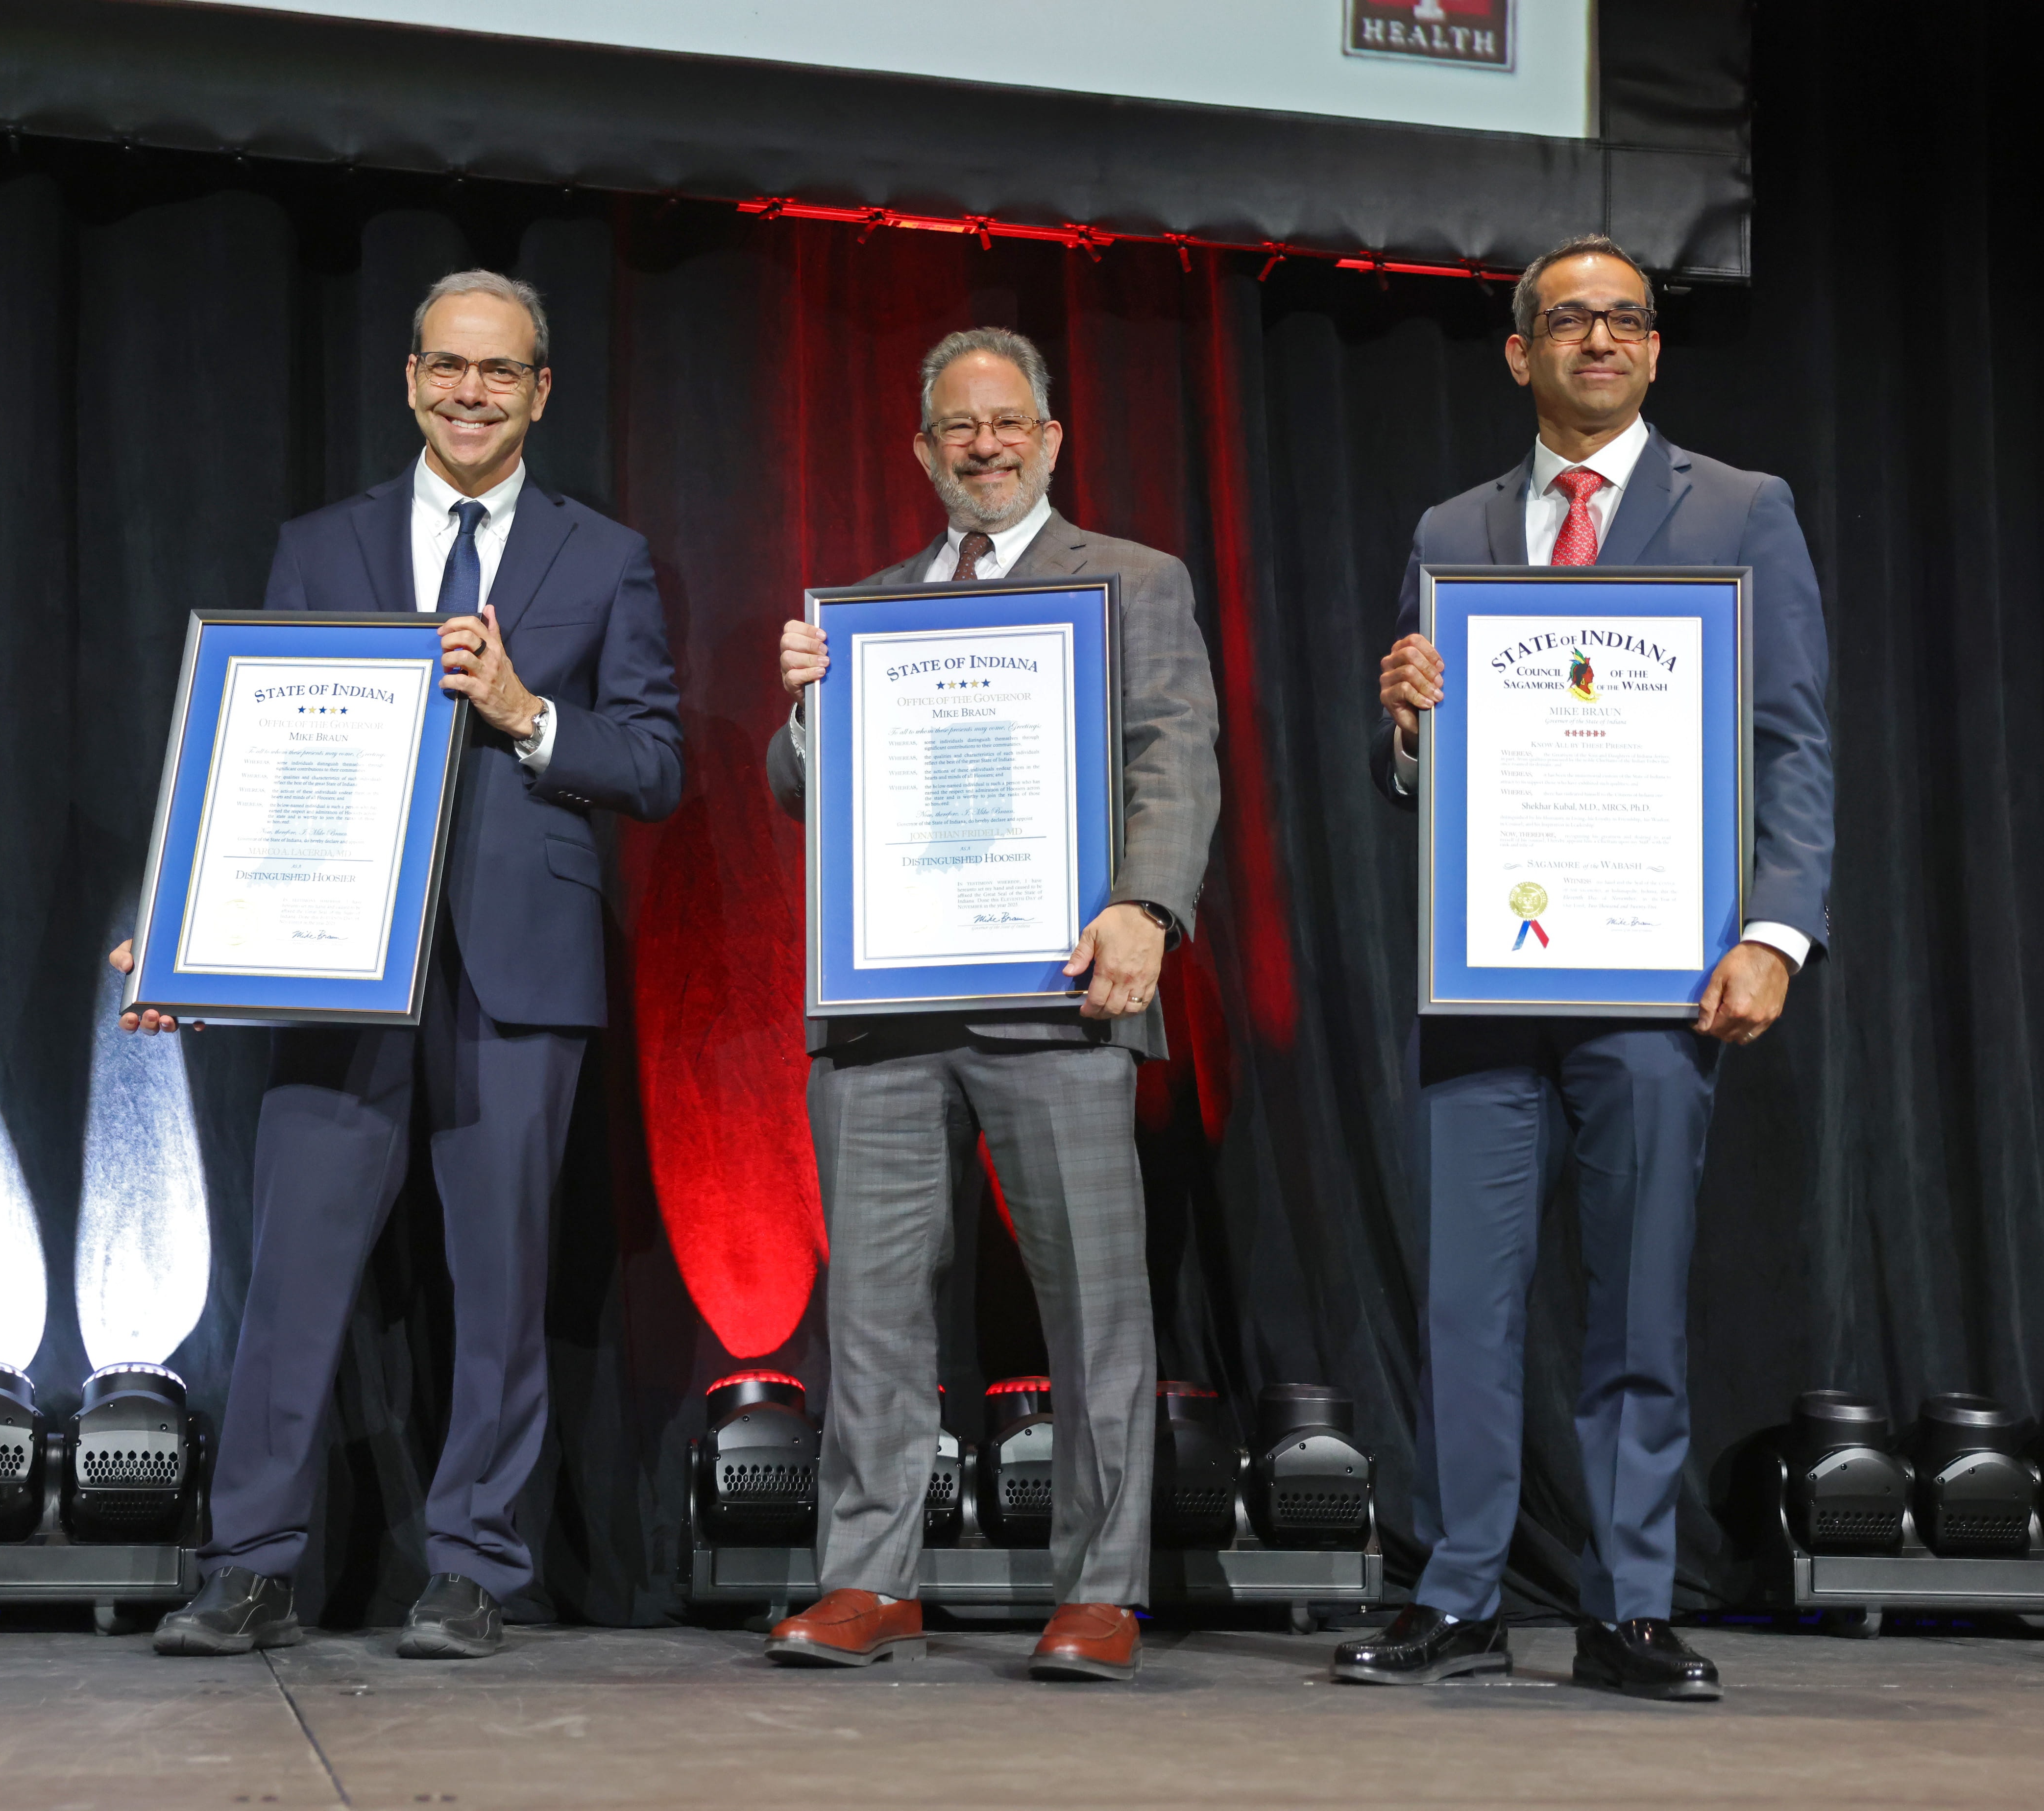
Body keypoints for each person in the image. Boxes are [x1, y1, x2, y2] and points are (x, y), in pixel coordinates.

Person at [111, 269, 682, 1660]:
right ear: (411, 377)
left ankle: (475, 1571)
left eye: (499, 371)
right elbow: (261, 743)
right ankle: (248, 1566)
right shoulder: (321, 543)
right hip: (329, 965)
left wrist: (525, 710)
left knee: (500, 1291)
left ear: (540, 391)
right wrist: (185, 917)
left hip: (517, 975)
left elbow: (656, 764)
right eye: (446, 366)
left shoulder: (602, 557)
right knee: (295, 1281)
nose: (469, 392)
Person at [1336, 234, 1832, 1701]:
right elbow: (1412, 777)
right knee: (1466, 1308)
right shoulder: (1450, 526)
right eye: (1568, 320)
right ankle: (1460, 1598)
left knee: (1636, 1307)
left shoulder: (1741, 509)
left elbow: (1792, 741)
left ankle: (1624, 1610)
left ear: (1654, 351)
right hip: (1490, 978)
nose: (1598, 340)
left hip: (1657, 980)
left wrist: (1772, 930)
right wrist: (1409, 725)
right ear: (1519, 352)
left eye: (1625, 319)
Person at [758, 327, 1218, 1682]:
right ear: (922, 451)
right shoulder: (866, 610)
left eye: (1008, 422)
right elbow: (801, 798)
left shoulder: (1131, 582)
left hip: (1059, 998)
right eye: (958, 429)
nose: (985, 446)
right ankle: (867, 1580)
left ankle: (1099, 1591)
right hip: (887, 1013)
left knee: (1095, 1307)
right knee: (876, 1313)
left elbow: (1172, 755)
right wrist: (802, 717)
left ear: (1051, 438)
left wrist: (1147, 908)